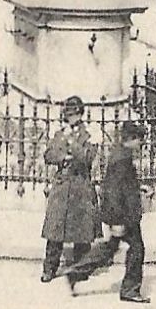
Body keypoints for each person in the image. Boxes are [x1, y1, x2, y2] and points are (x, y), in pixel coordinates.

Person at [63, 122, 149, 303]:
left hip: (124, 213)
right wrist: (117, 221)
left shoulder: (122, 155)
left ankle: (76, 273)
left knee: (110, 248)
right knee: (136, 248)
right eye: (140, 141)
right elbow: (113, 191)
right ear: (132, 139)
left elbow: (123, 186)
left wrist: (139, 187)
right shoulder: (121, 160)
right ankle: (130, 290)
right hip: (123, 215)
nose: (141, 145)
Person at [39, 97, 100, 284]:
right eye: (68, 114)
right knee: (55, 231)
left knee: (81, 231)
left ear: (80, 114)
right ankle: (49, 268)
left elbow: (88, 157)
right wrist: (64, 155)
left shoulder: (90, 133)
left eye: (74, 114)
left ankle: (80, 268)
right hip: (62, 183)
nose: (70, 118)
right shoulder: (60, 133)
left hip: (81, 184)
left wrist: (72, 144)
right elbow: (48, 155)